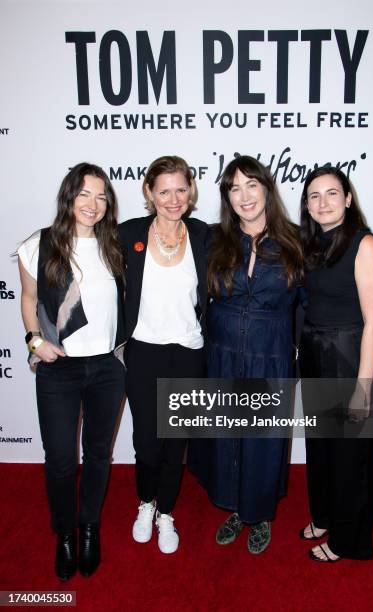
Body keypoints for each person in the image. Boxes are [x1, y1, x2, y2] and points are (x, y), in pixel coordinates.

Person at [188, 155, 303, 554]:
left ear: (267, 189)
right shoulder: (212, 239)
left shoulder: (297, 241)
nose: (244, 195)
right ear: (227, 197)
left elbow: (309, 306)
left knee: (263, 440)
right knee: (225, 437)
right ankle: (236, 508)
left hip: (270, 356)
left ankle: (260, 515)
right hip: (221, 354)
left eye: (251, 185)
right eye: (234, 188)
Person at [17, 163, 126, 580]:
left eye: (101, 196)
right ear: (69, 197)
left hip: (107, 368)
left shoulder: (113, 245)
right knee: (61, 459)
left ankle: (89, 528)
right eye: (84, 194)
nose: (93, 204)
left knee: (99, 453)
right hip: (58, 369)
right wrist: (33, 341)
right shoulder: (39, 244)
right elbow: (28, 298)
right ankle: (64, 532)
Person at [118, 155, 208, 554]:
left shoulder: (205, 236)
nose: (174, 199)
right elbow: (80, 248)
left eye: (181, 189)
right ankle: (146, 503)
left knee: (176, 441)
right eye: (165, 190)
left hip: (188, 352)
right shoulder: (127, 234)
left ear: (191, 191)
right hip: (143, 352)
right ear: (149, 193)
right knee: (147, 440)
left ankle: (167, 512)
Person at [298, 166, 373, 562]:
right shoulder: (312, 244)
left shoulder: (364, 244)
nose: (323, 202)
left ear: (348, 199)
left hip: (352, 358)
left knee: (351, 455)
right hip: (316, 355)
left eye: (332, 193)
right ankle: (325, 516)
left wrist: (363, 386)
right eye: (314, 196)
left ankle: (348, 542)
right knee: (321, 448)